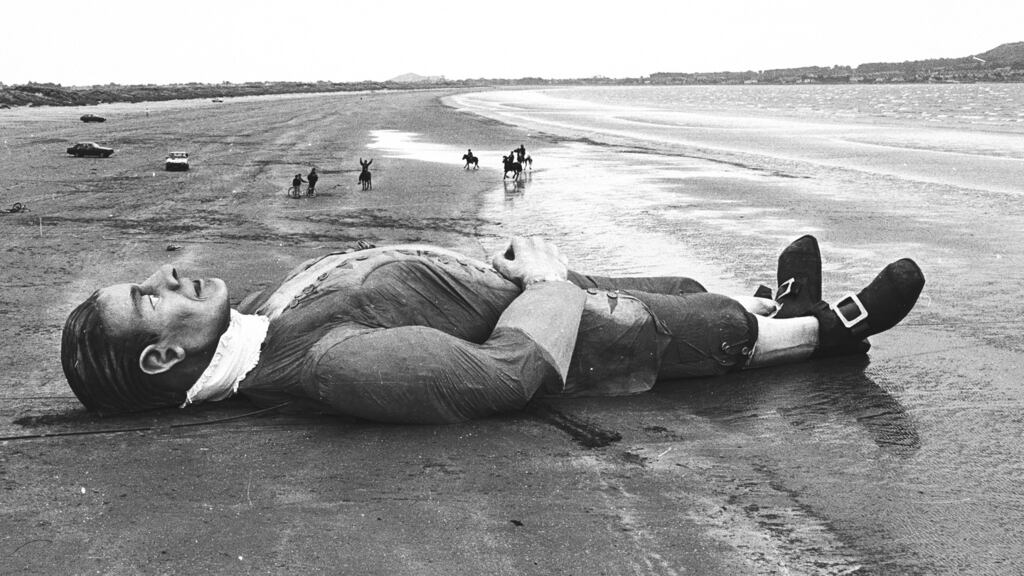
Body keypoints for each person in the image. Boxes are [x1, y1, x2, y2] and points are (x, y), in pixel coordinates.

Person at [61, 235, 924, 424]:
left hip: (575, 290)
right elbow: (510, 373)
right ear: (164, 355)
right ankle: (825, 331)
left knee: (688, 286)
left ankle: (784, 299)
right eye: (147, 296)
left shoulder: (255, 324)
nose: (165, 274)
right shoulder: (329, 366)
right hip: (611, 336)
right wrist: (544, 284)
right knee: (716, 323)